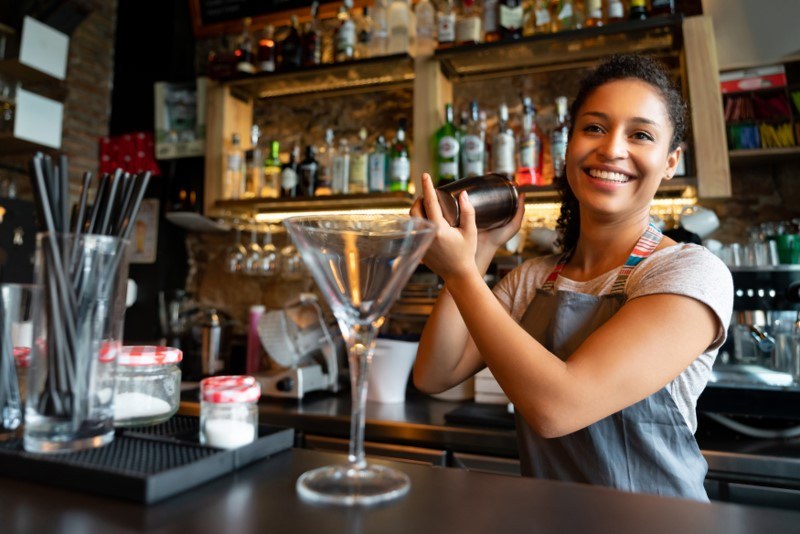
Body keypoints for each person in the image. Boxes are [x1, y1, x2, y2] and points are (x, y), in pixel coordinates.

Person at [410, 54, 733, 501]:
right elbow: (434, 373)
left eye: (640, 134)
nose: (612, 149)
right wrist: (480, 251)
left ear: (670, 161)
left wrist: (461, 273)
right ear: (568, 145)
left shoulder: (688, 272)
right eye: (594, 128)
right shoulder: (533, 279)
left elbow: (558, 408)